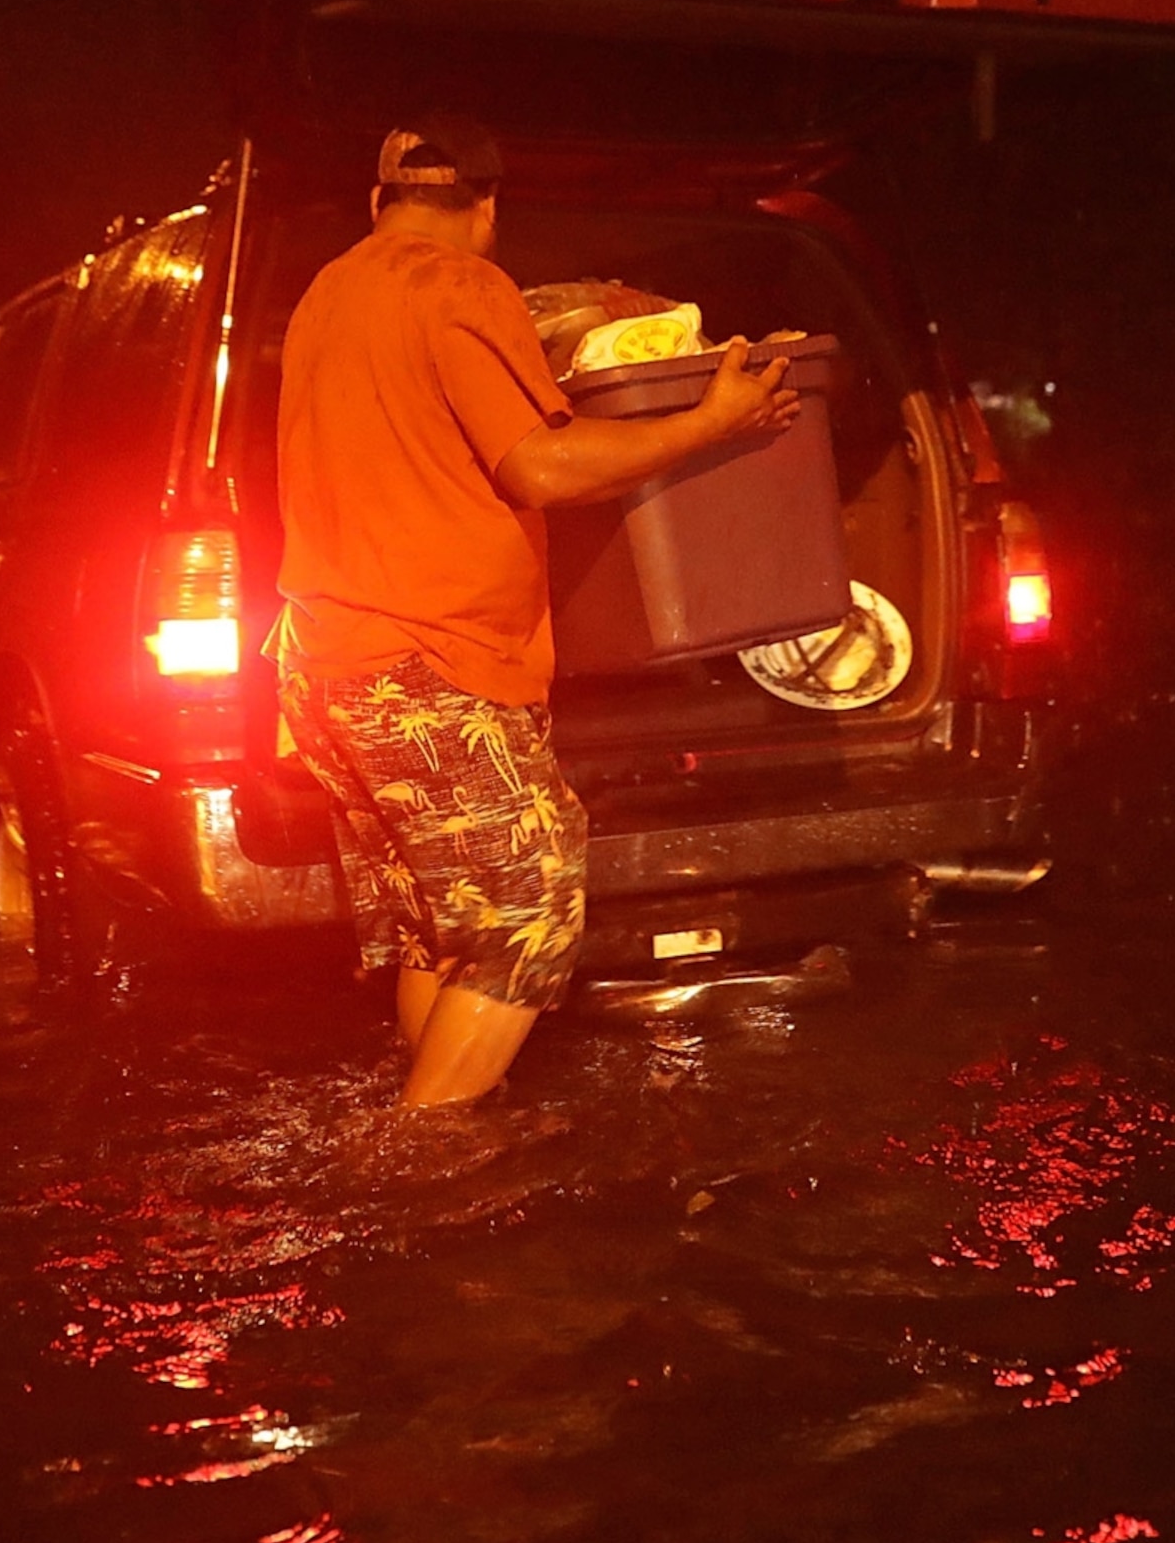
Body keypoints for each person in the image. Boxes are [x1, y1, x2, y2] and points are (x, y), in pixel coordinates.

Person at [272, 115, 800, 1106]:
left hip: (325, 661)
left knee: (452, 920)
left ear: (379, 203)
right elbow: (542, 465)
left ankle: (437, 1121)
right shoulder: (460, 284)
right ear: (487, 209)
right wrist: (711, 421)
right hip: (423, 665)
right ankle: (423, 1158)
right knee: (526, 908)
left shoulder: (330, 291)